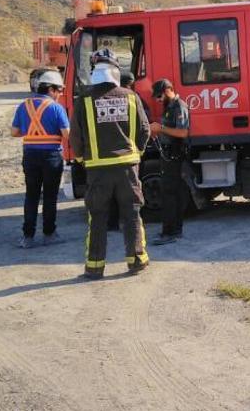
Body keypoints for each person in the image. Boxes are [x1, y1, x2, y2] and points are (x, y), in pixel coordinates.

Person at [69, 48, 151, 279]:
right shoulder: (131, 97)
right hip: (128, 169)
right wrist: (137, 152)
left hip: (97, 171)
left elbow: (75, 136)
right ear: (116, 71)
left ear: (94, 72)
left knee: (98, 217)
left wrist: (82, 158)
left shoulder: (84, 100)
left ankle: (95, 267)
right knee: (132, 214)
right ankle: (137, 261)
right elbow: (145, 130)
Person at [11, 69, 70, 248]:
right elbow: (66, 134)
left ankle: (28, 237)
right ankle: (49, 234)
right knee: (50, 197)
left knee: (31, 195)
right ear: (51, 89)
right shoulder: (55, 107)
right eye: (59, 90)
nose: (59, 94)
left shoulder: (24, 105)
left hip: (30, 155)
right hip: (51, 156)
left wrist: (32, 131)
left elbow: (14, 132)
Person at [149, 79, 189, 245]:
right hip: (168, 153)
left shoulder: (179, 106)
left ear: (167, 90)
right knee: (172, 193)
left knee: (169, 193)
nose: (157, 100)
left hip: (175, 154)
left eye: (159, 96)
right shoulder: (169, 107)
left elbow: (182, 132)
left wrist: (161, 129)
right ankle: (173, 230)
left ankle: (170, 232)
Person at [107, 71, 147, 231]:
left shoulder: (104, 99)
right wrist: (140, 150)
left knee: (111, 191)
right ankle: (131, 223)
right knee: (130, 192)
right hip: (130, 155)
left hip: (107, 154)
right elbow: (145, 127)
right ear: (131, 83)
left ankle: (112, 223)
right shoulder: (134, 98)